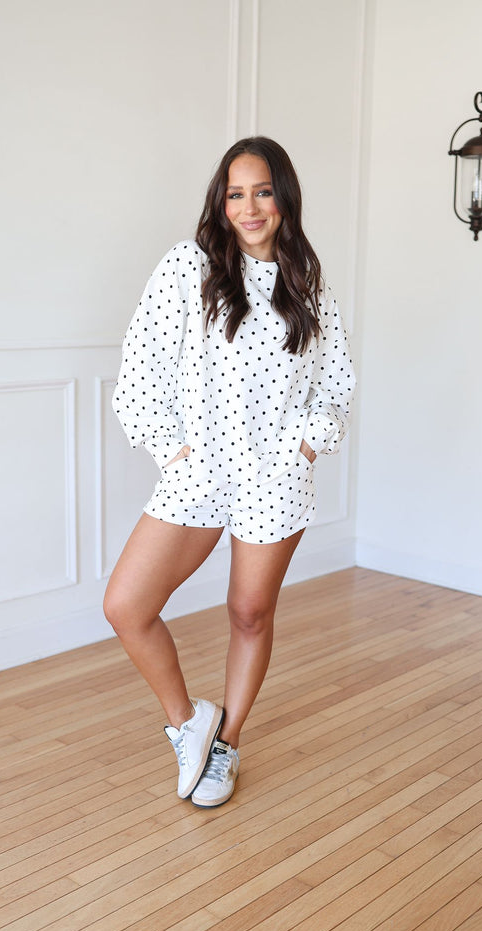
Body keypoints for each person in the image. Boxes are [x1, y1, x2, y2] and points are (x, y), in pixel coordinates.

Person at [103, 136, 355, 808]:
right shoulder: (189, 267)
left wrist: (303, 445)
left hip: (275, 476)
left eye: (263, 191)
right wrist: (173, 450)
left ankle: (226, 747)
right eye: (236, 193)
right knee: (127, 606)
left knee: (248, 612)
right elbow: (139, 370)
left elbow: (334, 386)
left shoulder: (308, 281)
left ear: (284, 199)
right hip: (200, 468)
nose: (249, 207)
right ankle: (190, 725)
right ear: (221, 201)